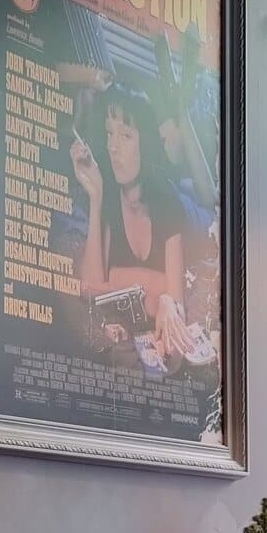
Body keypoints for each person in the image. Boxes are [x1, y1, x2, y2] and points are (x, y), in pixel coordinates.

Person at [71, 82, 200, 360]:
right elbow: (89, 287)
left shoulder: (168, 204)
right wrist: (95, 196)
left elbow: (176, 302)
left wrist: (158, 295)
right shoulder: (107, 197)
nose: (113, 147)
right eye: (109, 133)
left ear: (146, 144)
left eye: (126, 136)